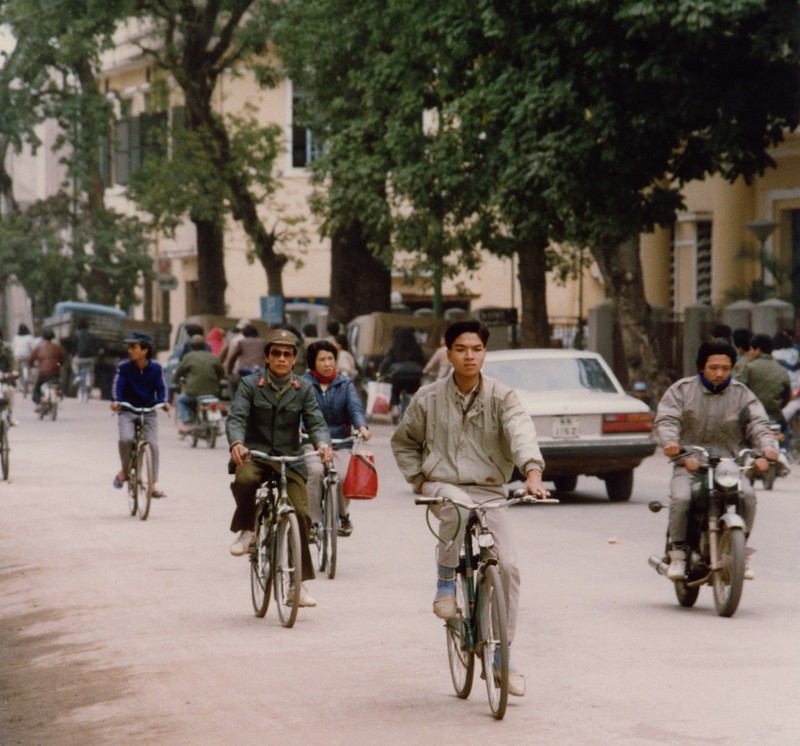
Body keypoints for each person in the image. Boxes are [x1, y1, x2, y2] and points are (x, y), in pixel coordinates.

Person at [391, 318, 548, 698]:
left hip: (491, 488)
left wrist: (532, 472)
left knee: (508, 567)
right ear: (448, 353)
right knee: (457, 508)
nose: (469, 356)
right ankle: (446, 581)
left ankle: (502, 657)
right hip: (444, 485)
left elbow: (521, 431)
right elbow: (404, 442)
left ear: (485, 353)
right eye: (461, 349)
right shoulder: (427, 397)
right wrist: (419, 479)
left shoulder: (502, 397)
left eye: (476, 349)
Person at [654, 340, 778, 582]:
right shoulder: (682, 390)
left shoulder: (743, 394)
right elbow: (667, 420)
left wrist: (767, 450)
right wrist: (673, 446)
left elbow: (758, 424)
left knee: (748, 496)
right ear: (702, 367)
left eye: (726, 367)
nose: (720, 373)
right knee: (681, 499)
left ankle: (742, 550)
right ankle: (678, 552)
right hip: (689, 464)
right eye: (713, 367)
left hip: (728, 467)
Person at [226, 328, 331, 608]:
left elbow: (316, 422)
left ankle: (300, 585)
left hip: (290, 459)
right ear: (267, 357)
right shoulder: (250, 385)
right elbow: (236, 417)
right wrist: (237, 442)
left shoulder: (304, 388)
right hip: (256, 454)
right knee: (245, 479)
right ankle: (247, 529)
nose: (281, 358)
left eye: (287, 354)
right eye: (276, 353)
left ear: (294, 358)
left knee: (300, 514)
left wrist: (322, 444)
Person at [302, 339, 370, 537]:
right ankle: (313, 522)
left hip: (341, 442)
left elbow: (355, 407)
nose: (327, 363)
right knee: (314, 473)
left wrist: (362, 426)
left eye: (330, 358)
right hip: (311, 442)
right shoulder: (302, 384)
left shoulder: (345, 383)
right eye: (322, 359)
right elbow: (297, 410)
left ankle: (342, 515)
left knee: (341, 476)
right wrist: (298, 428)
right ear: (312, 362)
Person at [111, 332, 170, 497]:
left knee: (153, 445)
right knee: (126, 439)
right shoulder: (123, 367)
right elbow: (117, 387)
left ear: (145, 351)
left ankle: (152, 485)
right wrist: (116, 401)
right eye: (129, 347)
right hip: (127, 410)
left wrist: (165, 402)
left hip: (149, 411)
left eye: (133, 347)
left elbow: (162, 388)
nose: (130, 351)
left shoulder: (156, 368)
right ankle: (124, 470)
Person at [735, 333, 793, 461]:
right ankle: (783, 451)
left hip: (751, 414)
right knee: (785, 431)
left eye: (752, 349)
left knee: (740, 432)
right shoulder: (781, 369)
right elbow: (787, 394)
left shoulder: (749, 367)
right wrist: (777, 406)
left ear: (757, 350)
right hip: (774, 413)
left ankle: (744, 454)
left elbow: (739, 389)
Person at [173, 334, 226, 435]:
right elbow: (221, 373)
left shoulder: (188, 357)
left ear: (191, 346)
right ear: (205, 345)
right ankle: (215, 424)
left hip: (193, 392)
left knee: (181, 401)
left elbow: (178, 372)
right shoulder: (213, 357)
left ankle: (186, 424)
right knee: (214, 404)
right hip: (212, 392)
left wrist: (175, 382)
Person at [379, 326, 425, 423]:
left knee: (395, 392)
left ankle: (395, 409)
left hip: (398, 376)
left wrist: (381, 371)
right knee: (411, 393)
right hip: (414, 377)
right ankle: (411, 408)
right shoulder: (416, 348)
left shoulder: (395, 348)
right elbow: (421, 361)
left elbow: (387, 361)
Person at [225, 323, 264, 398]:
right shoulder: (263, 342)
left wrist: (229, 372)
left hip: (245, 373)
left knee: (232, 383)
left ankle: (235, 403)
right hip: (260, 372)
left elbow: (233, 358)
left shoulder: (242, 342)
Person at [29, 330, 64, 408]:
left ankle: (38, 404)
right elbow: (61, 360)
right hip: (54, 372)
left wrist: (32, 366)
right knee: (58, 385)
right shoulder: (57, 347)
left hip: (43, 373)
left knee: (36, 388)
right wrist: (58, 365)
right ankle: (59, 394)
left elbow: (31, 359)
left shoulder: (39, 347)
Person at [70, 320, 98, 395]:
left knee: (73, 363)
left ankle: (78, 375)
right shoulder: (92, 335)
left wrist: (73, 355)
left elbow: (73, 347)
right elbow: (96, 347)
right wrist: (95, 355)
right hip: (90, 358)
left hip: (79, 358)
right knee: (91, 372)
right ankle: (89, 386)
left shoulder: (76, 335)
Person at [0, 330, 20, 425]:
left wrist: (14, 371)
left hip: (4, 381)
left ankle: (10, 414)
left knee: (8, 391)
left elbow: (13, 364)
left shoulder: (7, 351)